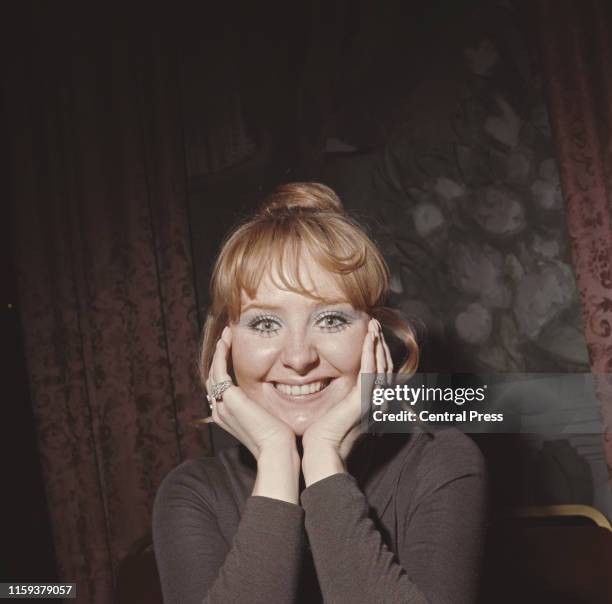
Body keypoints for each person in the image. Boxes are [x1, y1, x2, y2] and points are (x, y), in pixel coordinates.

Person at [152, 182, 487, 603]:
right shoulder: (193, 494)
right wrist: (277, 459)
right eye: (265, 324)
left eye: (330, 320)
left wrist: (324, 460)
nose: (298, 357)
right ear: (226, 343)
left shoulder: (441, 463)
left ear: (375, 334)